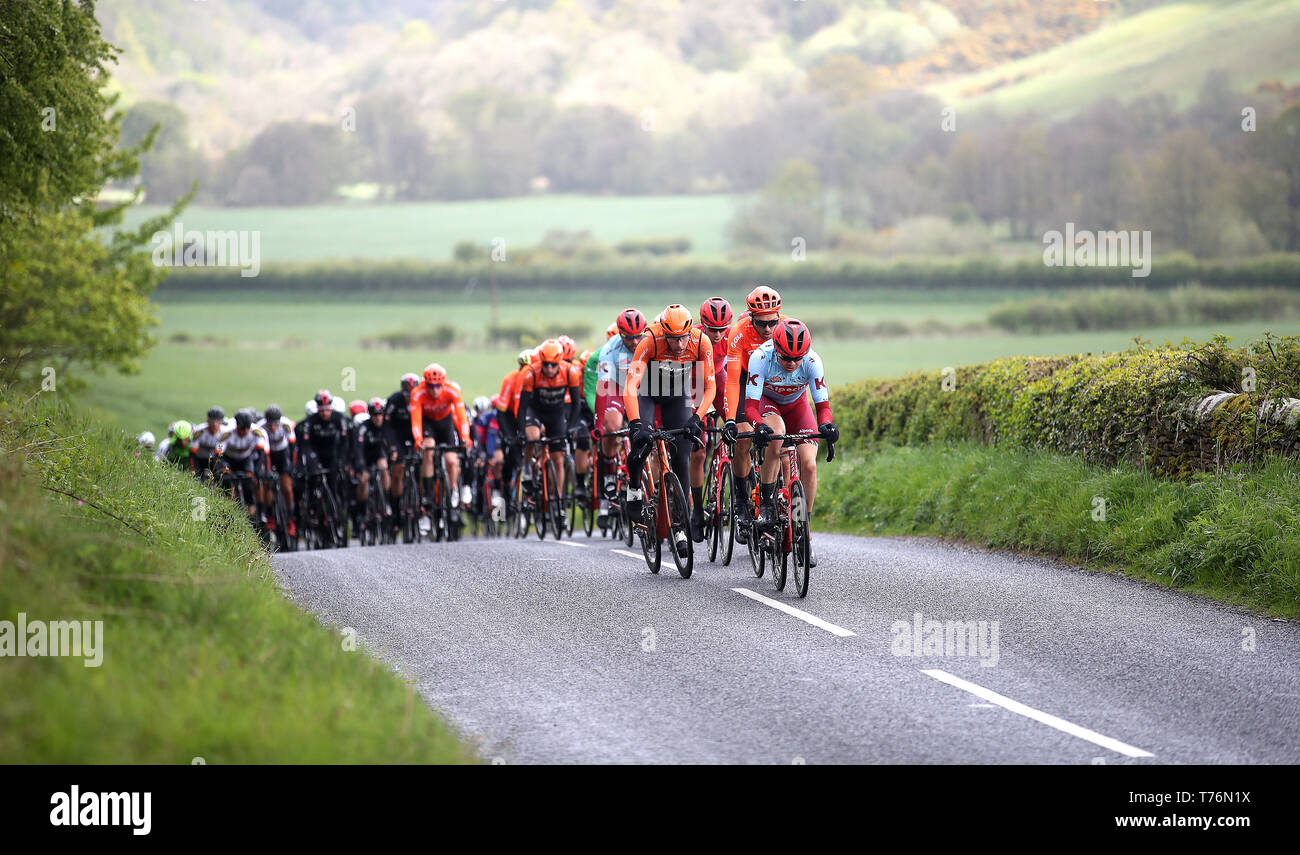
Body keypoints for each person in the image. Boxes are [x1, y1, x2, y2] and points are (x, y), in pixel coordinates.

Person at [744, 318, 838, 568]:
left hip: (798, 407)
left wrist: (827, 426)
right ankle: (766, 503)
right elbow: (751, 407)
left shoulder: (812, 361)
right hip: (768, 404)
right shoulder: (761, 358)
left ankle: (803, 530)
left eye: (798, 358)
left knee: (809, 465)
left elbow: (823, 407)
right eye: (786, 358)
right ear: (775, 348)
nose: (793, 363)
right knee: (776, 435)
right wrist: (759, 426)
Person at [622, 304, 715, 545]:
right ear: (665, 333)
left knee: (682, 458)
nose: (680, 345)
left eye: (683, 338)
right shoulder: (650, 340)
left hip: (677, 396)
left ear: (690, 332)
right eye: (674, 339)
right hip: (648, 394)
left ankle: (680, 526)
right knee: (641, 444)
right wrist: (635, 424)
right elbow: (631, 386)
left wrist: (698, 417)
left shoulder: (701, 341)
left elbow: (710, 387)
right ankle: (633, 487)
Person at [721, 286, 785, 543]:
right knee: (744, 435)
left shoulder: (783, 330)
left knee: (782, 438)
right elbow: (733, 381)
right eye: (762, 323)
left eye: (773, 322)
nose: (768, 329)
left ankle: (778, 500)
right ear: (750, 318)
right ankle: (741, 500)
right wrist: (729, 419)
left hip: (773, 384)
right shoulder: (738, 334)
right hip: (746, 380)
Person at [592, 308, 647, 530]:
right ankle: (607, 474)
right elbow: (602, 390)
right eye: (628, 337)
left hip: (642, 387)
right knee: (612, 427)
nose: (634, 342)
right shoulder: (609, 350)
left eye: (638, 336)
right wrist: (598, 424)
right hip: (615, 388)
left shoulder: (649, 341)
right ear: (620, 334)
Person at [517, 339, 582, 504]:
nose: (550, 369)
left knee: (558, 458)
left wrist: (571, 427)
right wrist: (521, 431)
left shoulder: (570, 372)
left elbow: (576, 405)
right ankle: (526, 469)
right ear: (541, 362)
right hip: (535, 412)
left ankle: (558, 499)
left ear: (559, 362)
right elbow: (522, 407)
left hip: (556, 414)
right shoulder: (531, 373)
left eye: (554, 365)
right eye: (546, 364)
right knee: (532, 438)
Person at [409, 363, 471, 523]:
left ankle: (454, 490)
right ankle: (428, 496)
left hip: (446, 424)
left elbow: (462, 416)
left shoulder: (452, 391)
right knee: (428, 450)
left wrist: (465, 436)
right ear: (425, 383)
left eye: (438, 386)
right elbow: (415, 421)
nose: (434, 390)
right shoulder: (417, 393)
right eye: (431, 386)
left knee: (451, 460)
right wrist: (418, 440)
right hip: (428, 424)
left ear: (443, 383)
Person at [216, 409, 271, 521]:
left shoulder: (257, 432)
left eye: (247, 428)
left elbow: (261, 454)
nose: (244, 431)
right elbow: (218, 455)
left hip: (246, 460)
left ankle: (252, 519)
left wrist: (256, 472)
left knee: (249, 487)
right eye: (241, 428)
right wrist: (222, 469)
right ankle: (229, 515)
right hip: (229, 460)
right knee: (227, 484)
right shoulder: (227, 433)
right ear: (236, 426)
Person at [384, 373, 420, 528]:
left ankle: (422, 504)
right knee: (398, 471)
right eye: (407, 395)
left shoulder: (421, 399)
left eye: (412, 394)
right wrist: (391, 446)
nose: (409, 398)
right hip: (397, 437)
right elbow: (386, 425)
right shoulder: (394, 401)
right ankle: (396, 509)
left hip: (415, 436)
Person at [258, 404, 297, 538]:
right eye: (270, 424)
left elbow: (293, 447)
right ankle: (270, 515)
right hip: (268, 455)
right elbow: (263, 452)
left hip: (282, 455)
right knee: (268, 485)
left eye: (276, 424)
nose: (273, 427)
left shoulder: (286, 425)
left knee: (287, 487)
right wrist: (267, 471)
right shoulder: (260, 427)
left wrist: (292, 466)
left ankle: (291, 518)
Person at [355, 397, 392, 527]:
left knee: (384, 468)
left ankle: (386, 501)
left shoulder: (387, 426)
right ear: (370, 415)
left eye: (380, 413)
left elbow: (392, 442)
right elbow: (358, 448)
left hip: (379, 455)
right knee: (363, 480)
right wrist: (361, 466)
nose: (378, 417)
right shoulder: (363, 428)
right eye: (375, 414)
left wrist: (393, 452)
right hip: (365, 456)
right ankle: (362, 511)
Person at [190, 406, 226, 481]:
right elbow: (193, 452)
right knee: (196, 478)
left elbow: (219, 453)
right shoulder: (200, 430)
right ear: (208, 420)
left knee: (220, 477)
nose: (215, 424)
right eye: (212, 421)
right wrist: (193, 467)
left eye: (217, 421)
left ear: (222, 421)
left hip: (213, 459)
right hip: (199, 458)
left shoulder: (224, 432)